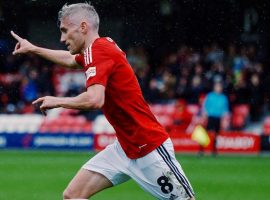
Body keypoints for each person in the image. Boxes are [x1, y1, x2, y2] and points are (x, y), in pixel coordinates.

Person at [11, 3, 195, 200]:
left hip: (149, 147)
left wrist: (58, 101)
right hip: (124, 148)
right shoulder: (99, 48)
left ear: (83, 27)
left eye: (65, 31)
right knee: (73, 195)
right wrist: (33, 49)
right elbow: (70, 59)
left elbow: (95, 99)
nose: (62, 38)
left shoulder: (98, 51)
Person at [203, 81, 229, 155]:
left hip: (218, 118)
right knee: (206, 133)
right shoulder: (210, 96)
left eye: (219, 87)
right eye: (217, 87)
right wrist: (205, 115)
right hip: (210, 117)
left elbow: (225, 109)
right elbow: (205, 106)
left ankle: (214, 150)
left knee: (216, 135)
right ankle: (201, 149)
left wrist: (224, 118)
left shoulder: (223, 98)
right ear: (214, 88)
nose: (218, 88)